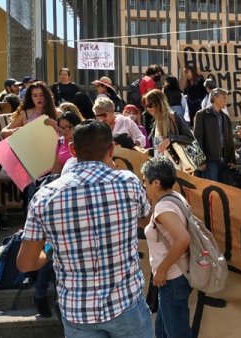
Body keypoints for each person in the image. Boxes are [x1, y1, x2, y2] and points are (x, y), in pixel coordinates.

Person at [17, 120, 153, 337]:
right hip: (126, 304)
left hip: (77, 311)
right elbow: (146, 220)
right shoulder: (129, 183)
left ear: (72, 150)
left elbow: (26, 263)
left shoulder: (44, 197)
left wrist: (50, 252)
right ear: (111, 149)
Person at [140, 156, 192, 338]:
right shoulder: (175, 197)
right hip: (176, 277)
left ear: (155, 182)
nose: (143, 185)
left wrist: (161, 270)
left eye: (144, 181)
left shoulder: (164, 208)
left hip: (171, 279)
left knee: (177, 333)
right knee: (163, 331)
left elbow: (183, 239)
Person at [193, 88, 235, 182]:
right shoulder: (202, 115)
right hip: (209, 160)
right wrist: (201, 160)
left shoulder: (225, 117)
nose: (225, 100)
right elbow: (198, 138)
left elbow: (229, 139)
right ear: (215, 98)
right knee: (212, 189)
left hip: (224, 161)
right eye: (223, 97)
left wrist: (232, 159)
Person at [142, 89, 194, 157]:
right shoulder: (156, 123)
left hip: (177, 164)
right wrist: (149, 151)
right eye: (146, 106)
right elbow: (159, 148)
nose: (148, 109)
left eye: (150, 105)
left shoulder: (174, 117)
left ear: (159, 103)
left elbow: (190, 138)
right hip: (161, 164)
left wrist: (170, 139)